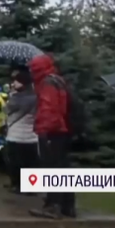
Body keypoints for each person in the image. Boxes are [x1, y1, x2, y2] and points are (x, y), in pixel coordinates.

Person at [28, 54, 76, 219]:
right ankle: (67, 206)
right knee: (63, 168)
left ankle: (52, 205)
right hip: (63, 130)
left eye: (32, 68)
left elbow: (49, 109)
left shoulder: (47, 83)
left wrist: (42, 130)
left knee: (52, 169)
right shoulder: (58, 80)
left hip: (52, 131)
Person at [4, 70, 38, 194]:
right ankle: (30, 187)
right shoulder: (36, 97)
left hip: (16, 134)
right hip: (32, 135)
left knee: (15, 162)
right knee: (30, 163)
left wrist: (10, 95)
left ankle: (17, 185)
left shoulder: (17, 98)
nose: (14, 83)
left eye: (17, 81)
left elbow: (7, 110)